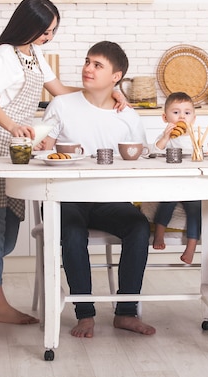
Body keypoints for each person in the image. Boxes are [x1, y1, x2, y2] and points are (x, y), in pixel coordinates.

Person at [0, 0, 128, 325]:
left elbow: (60, 90)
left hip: (16, 153)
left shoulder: (34, 54)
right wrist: (13, 125)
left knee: (8, 239)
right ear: (28, 26)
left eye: (53, 31)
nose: (49, 37)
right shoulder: (3, 55)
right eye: (45, 31)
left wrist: (106, 91)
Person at [38, 41, 155, 338]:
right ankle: (85, 314)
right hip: (65, 197)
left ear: (116, 77)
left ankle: (126, 313)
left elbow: (141, 158)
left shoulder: (127, 116)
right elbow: (43, 155)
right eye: (87, 62)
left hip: (108, 198)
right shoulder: (62, 104)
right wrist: (40, 147)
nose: (88, 69)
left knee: (139, 227)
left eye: (97, 65)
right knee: (74, 233)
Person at [150, 92, 201, 264]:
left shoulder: (195, 137)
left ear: (193, 118)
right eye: (176, 112)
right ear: (165, 117)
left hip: (192, 185)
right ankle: (159, 234)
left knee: (195, 208)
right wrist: (165, 137)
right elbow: (155, 151)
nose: (182, 116)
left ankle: (191, 246)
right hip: (172, 182)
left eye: (187, 113)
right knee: (167, 201)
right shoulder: (168, 136)